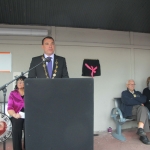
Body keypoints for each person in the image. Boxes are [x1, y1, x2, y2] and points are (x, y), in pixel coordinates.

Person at [121, 79, 150, 145]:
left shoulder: (138, 93)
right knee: (143, 109)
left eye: (133, 84)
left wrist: (134, 98)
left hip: (138, 112)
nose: (132, 85)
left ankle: (141, 131)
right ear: (127, 85)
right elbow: (128, 102)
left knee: (143, 109)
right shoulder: (124, 93)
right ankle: (142, 135)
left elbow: (144, 99)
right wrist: (139, 102)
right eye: (131, 84)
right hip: (130, 111)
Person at [7, 76, 26, 150]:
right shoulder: (13, 93)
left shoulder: (30, 92)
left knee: (28, 127)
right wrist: (14, 114)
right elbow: (10, 108)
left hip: (28, 116)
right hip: (17, 115)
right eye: (18, 81)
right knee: (16, 125)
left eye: (22, 81)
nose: (19, 83)